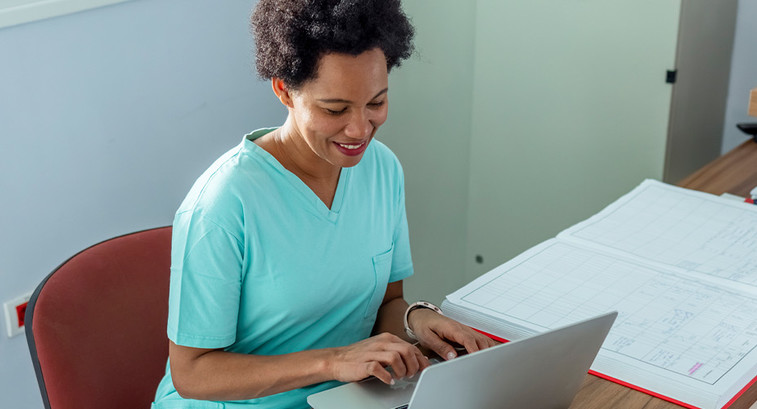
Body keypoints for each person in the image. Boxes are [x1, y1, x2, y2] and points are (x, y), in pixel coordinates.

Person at [152, 1, 496, 408]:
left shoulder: (381, 170)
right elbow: (192, 373)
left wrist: (416, 320)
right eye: (334, 109)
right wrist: (332, 362)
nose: (359, 129)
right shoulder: (223, 204)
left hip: (349, 398)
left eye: (376, 103)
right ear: (283, 89)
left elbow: (385, 304)